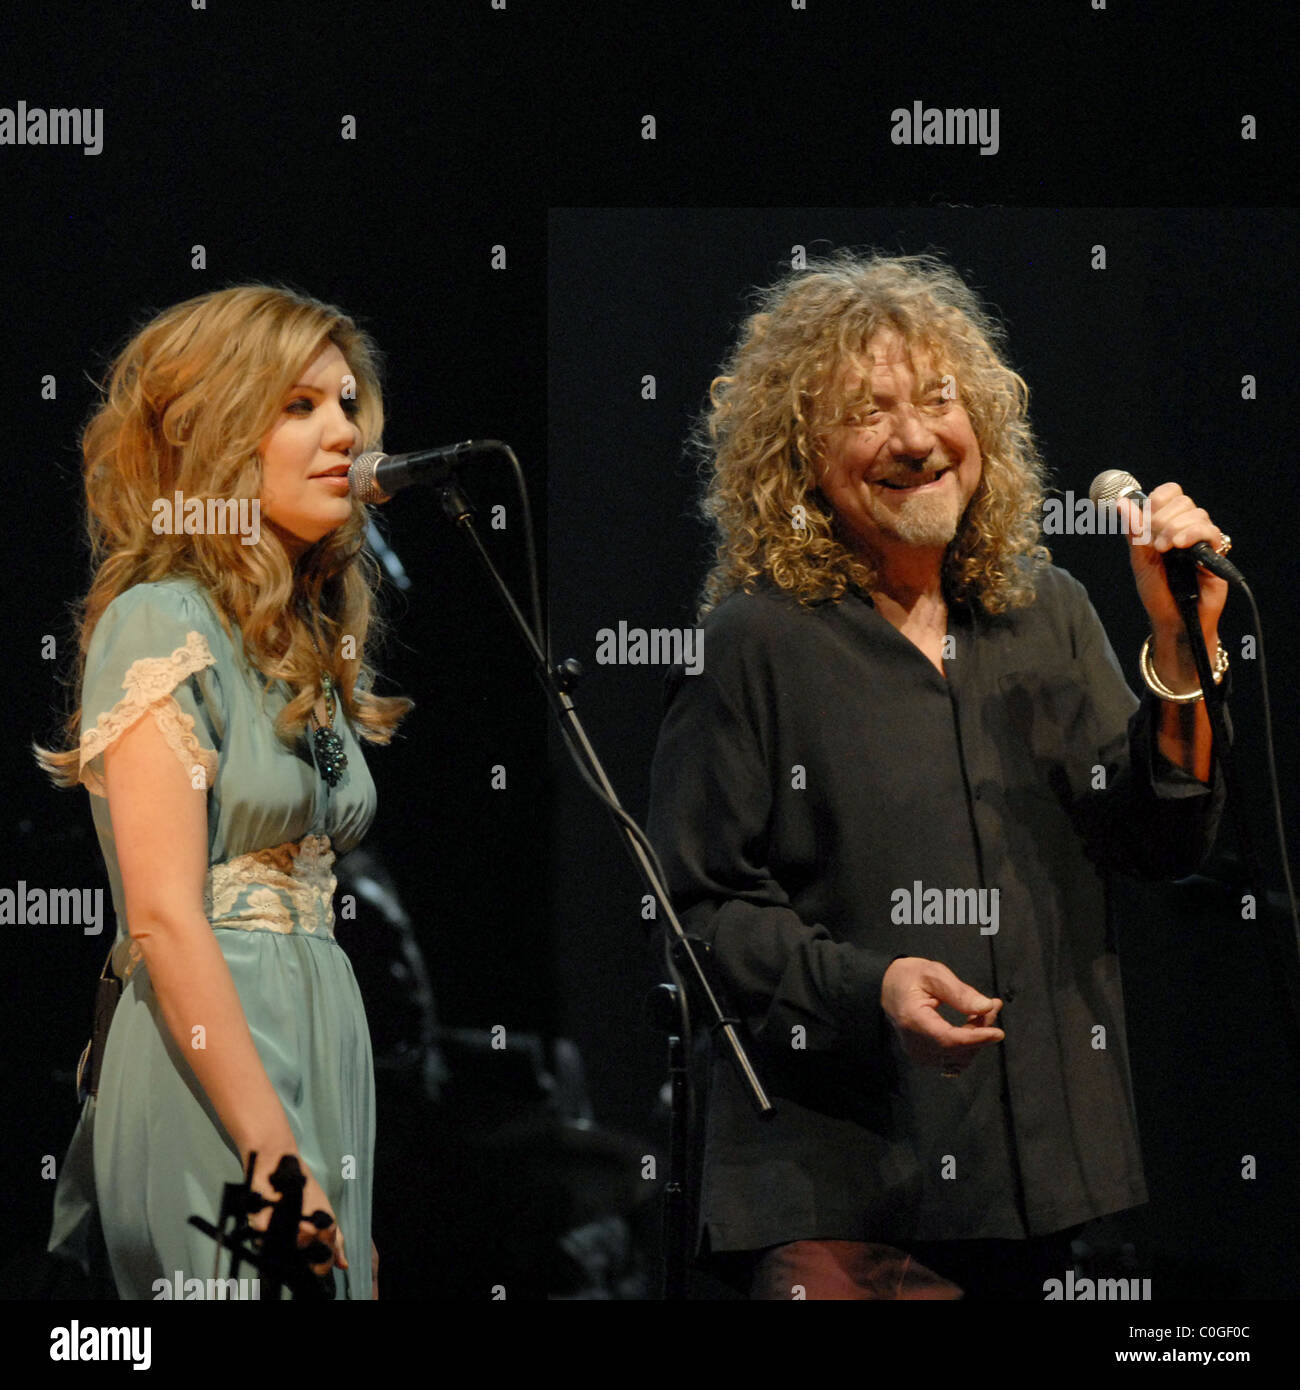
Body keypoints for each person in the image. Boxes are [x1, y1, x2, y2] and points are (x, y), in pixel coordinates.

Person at [645, 252, 1231, 1300]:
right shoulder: (753, 644)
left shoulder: (1044, 611)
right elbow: (697, 913)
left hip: (1050, 1196)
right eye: (868, 413)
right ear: (798, 455)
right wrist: (870, 987)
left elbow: (1159, 839)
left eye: (938, 399)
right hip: (845, 1208)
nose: (916, 438)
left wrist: (1180, 655)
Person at [35, 284, 412, 1300]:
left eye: (346, 403)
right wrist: (275, 1160)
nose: (342, 431)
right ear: (212, 433)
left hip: (317, 1026)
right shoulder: (160, 621)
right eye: (298, 407)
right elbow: (161, 912)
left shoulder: (302, 644)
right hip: (214, 1055)